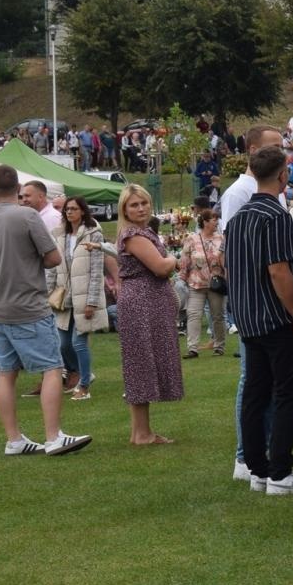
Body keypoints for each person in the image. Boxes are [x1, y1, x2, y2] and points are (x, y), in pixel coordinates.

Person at [224, 145, 293, 496]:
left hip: (248, 318)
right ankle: (280, 471)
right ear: (282, 176)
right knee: (287, 393)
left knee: (256, 393)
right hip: (275, 318)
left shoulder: (237, 218)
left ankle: (257, 469)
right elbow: (279, 271)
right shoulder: (277, 217)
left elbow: (230, 268)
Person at [0, 166, 91, 456]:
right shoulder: (27, 216)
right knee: (52, 368)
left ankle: (14, 440)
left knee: (5, 374)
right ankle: (53, 437)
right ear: (18, 189)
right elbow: (53, 258)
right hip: (28, 306)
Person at [115, 183, 185, 445]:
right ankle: (142, 433)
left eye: (144, 202)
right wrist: (174, 260)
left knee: (141, 363)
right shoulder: (134, 235)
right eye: (134, 205)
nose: (141, 208)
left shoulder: (140, 232)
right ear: (125, 209)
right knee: (141, 363)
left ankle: (140, 432)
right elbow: (160, 267)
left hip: (146, 302)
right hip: (142, 304)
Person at [53, 196, 111, 400]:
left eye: (74, 209)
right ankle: (84, 373)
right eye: (67, 209)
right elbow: (54, 268)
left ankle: (84, 385)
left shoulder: (93, 234)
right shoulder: (59, 235)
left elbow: (97, 270)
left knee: (78, 342)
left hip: (85, 296)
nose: (69, 212)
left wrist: (92, 301)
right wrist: (50, 293)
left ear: (83, 211)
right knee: (63, 344)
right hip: (65, 297)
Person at [178, 208, 227, 357]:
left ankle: (219, 346)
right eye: (214, 220)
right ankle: (193, 348)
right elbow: (185, 260)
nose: (217, 222)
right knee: (193, 314)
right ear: (205, 222)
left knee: (218, 316)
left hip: (216, 284)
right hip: (196, 284)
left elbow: (226, 260)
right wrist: (182, 278)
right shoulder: (192, 239)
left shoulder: (221, 239)